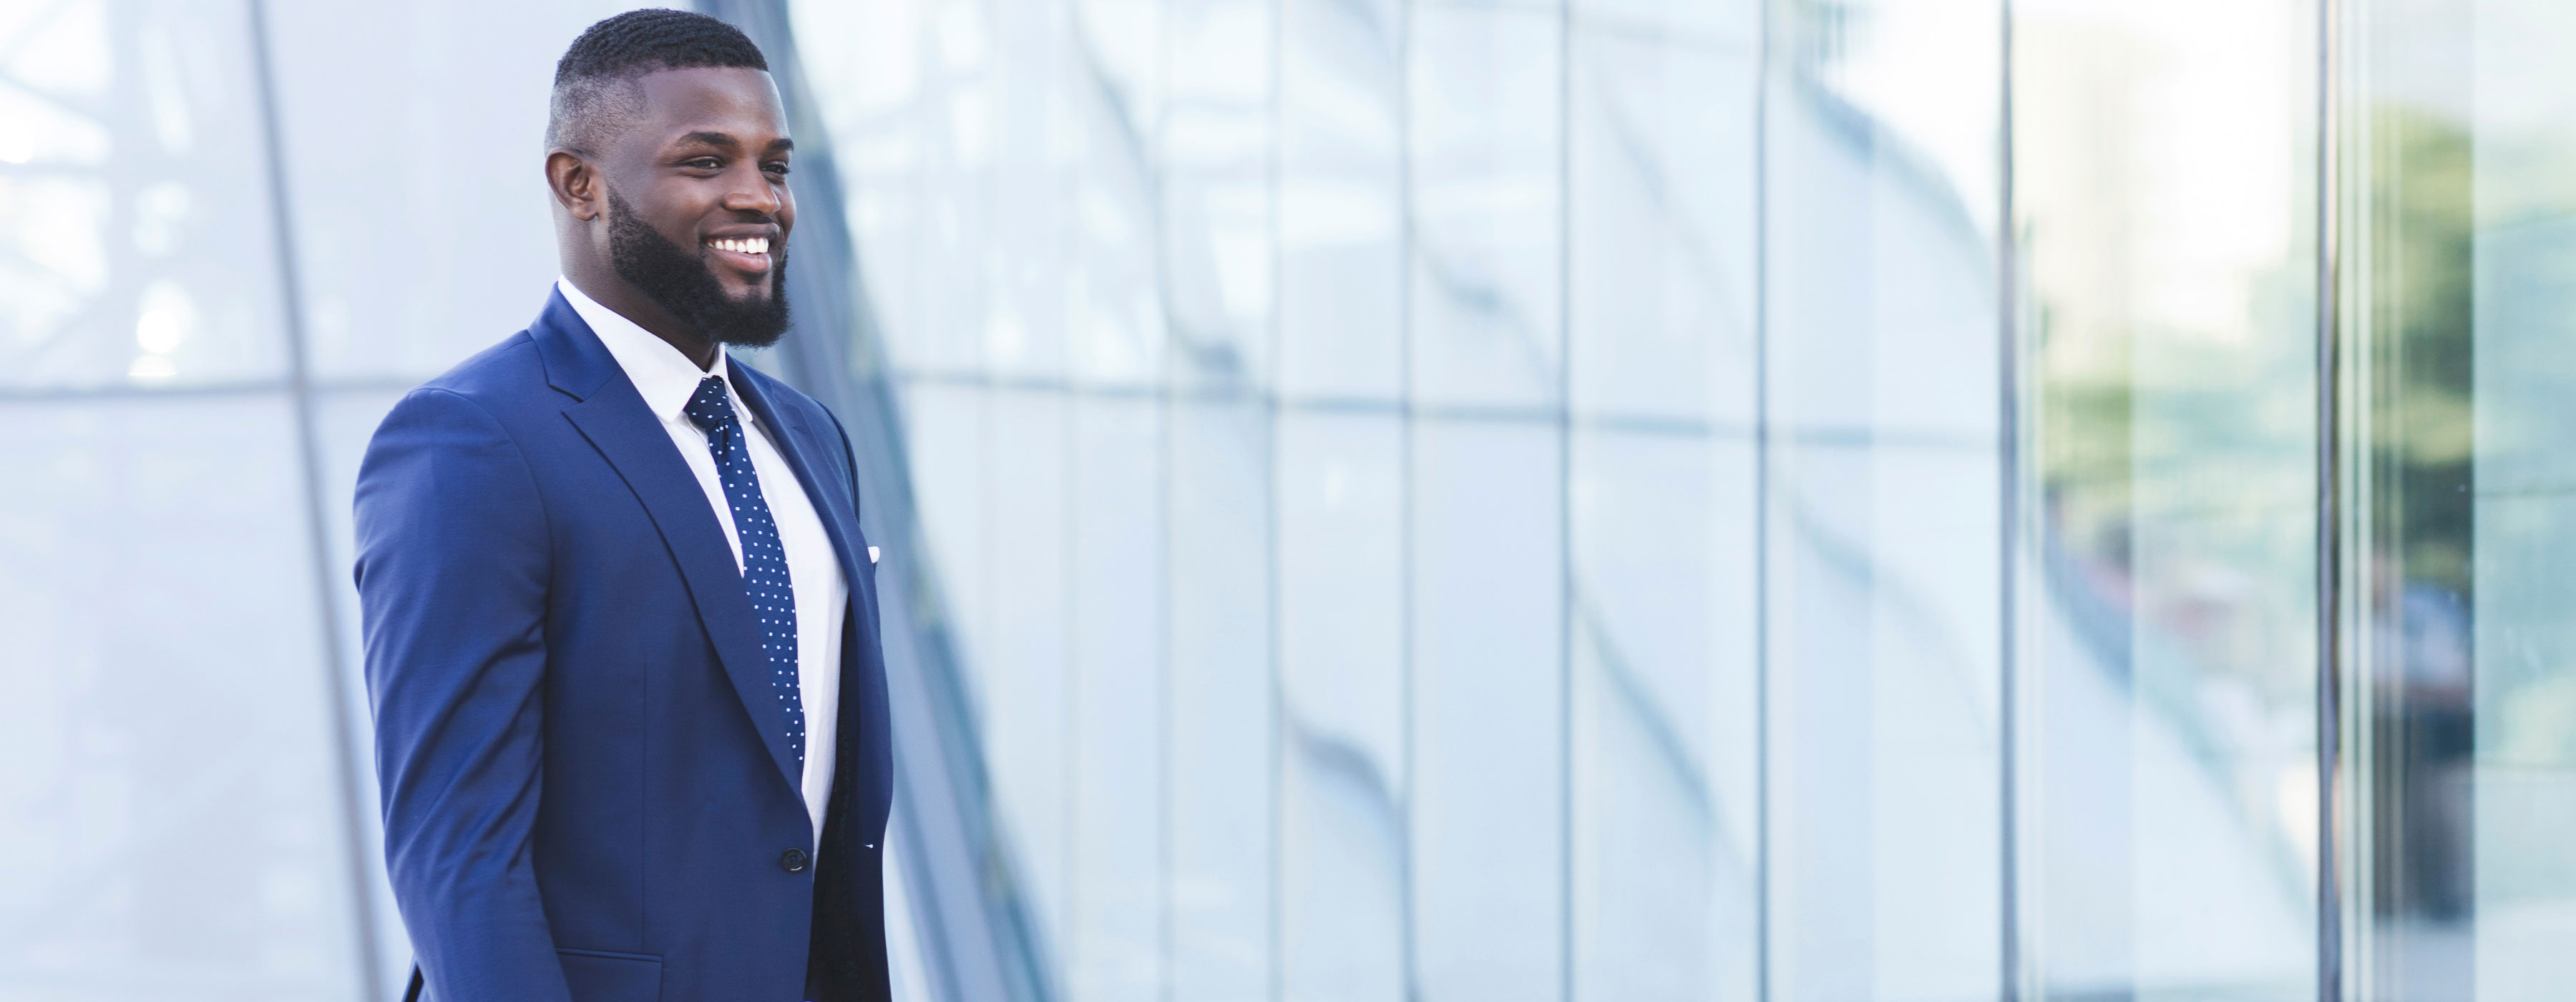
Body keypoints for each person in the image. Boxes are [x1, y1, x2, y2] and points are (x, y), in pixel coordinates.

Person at [352, 11, 889, 1001]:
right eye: (704, 161)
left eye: (774, 166)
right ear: (579, 184)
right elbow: (458, 857)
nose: (756, 198)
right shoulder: (473, 442)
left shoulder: (812, 437)